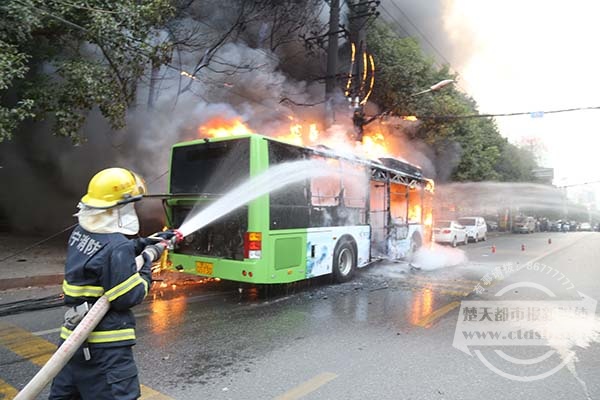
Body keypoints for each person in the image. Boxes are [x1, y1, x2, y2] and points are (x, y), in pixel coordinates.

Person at [49, 167, 170, 400]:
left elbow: (106, 251)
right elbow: (128, 296)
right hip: (106, 350)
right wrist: (146, 261)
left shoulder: (82, 231)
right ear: (119, 207)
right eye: (130, 205)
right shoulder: (117, 248)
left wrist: (148, 241)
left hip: (73, 343)